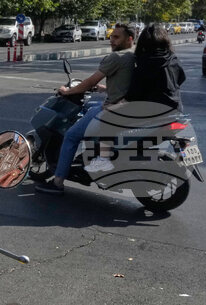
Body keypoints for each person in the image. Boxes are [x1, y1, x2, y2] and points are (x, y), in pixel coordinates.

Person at [35, 23, 136, 194]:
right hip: (128, 106)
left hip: (113, 109)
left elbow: (90, 82)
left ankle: (58, 182)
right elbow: (124, 84)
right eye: (111, 36)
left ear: (129, 39)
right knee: (88, 107)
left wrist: (68, 91)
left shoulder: (117, 57)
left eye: (116, 37)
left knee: (71, 136)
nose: (111, 40)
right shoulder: (134, 56)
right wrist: (104, 89)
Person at [125, 24, 186, 110]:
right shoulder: (173, 59)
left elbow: (133, 94)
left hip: (152, 111)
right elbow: (181, 78)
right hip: (175, 108)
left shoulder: (143, 64)